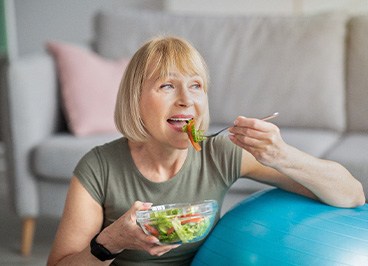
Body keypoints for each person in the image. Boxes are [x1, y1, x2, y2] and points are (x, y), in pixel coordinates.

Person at [47, 36, 365, 266]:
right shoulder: (98, 167)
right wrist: (110, 243)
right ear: (135, 100)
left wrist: (282, 155)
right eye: (167, 85)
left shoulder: (219, 152)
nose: (187, 99)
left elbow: (352, 195)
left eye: (196, 85)